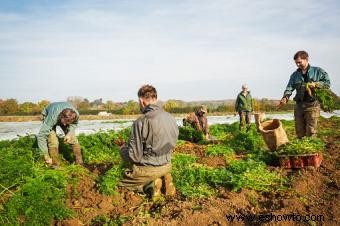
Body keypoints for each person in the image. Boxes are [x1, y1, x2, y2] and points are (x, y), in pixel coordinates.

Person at [119, 85, 179, 198]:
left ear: (142, 101)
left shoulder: (141, 122)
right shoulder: (171, 118)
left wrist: (123, 150)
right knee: (159, 169)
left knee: (121, 182)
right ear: (155, 98)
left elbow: (134, 157)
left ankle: (150, 185)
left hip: (149, 169)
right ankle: (165, 176)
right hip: (167, 164)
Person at [278, 50, 331, 138]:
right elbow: (289, 87)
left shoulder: (318, 71)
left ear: (306, 59)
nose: (298, 65)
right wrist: (285, 97)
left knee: (311, 131)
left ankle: (311, 149)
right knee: (299, 131)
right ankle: (302, 148)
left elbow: (327, 83)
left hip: (312, 105)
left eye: (299, 62)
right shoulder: (295, 75)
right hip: (299, 106)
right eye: (296, 63)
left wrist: (316, 84)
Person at [36, 102, 83, 167]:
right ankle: (55, 165)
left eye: (67, 123)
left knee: (73, 139)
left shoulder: (76, 115)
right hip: (49, 113)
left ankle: (79, 162)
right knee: (53, 141)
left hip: (63, 116)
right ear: (61, 116)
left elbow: (74, 124)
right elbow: (41, 136)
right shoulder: (52, 117)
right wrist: (45, 155)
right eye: (64, 122)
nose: (64, 125)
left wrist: (69, 134)